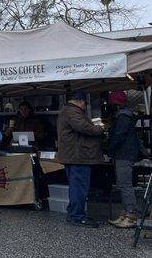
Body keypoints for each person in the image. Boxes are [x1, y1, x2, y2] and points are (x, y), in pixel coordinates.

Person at [57, 91, 104, 227]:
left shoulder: (66, 111)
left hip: (72, 156)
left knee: (75, 186)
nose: (85, 106)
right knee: (79, 187)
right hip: (78, 156)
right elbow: (83, 127)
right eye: (85, 103)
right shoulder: (72, 112)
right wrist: (99, 129)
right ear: (80, 101)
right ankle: (77, 216)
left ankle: (73, 213)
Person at [107, 90, 140, 229]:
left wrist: (110, 150)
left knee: (124, 184)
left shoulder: (123, 117)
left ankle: (131, 215)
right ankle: (126, 213)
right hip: (126, 153)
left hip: (124, 154)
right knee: (123, 184)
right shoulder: (126, 115)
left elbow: (119, 136)